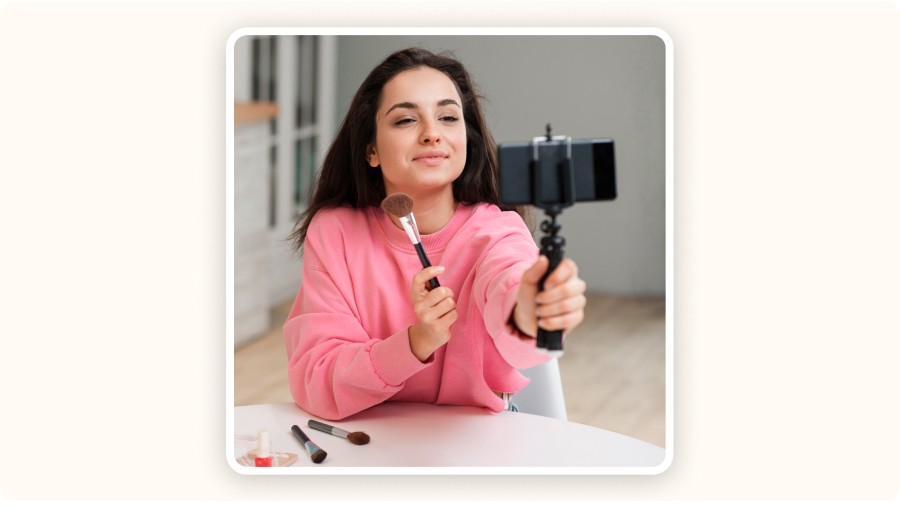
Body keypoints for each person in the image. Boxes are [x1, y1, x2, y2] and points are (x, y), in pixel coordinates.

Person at [284, 47, 587, 421]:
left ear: (467, 138)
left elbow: (511, 290)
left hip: (474, 448)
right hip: (363, 442)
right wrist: (416, 342)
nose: (431, 134)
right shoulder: (336, 232)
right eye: (406, 120)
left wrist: (530, 311)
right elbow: (317, 379)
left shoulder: (496, 232)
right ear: (371, 150)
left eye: (447, 117)